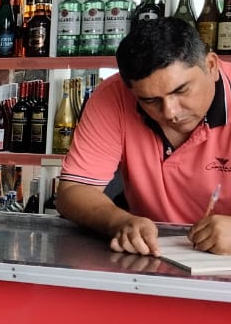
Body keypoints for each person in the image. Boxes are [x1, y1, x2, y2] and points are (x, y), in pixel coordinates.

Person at [58, 17, 231, 255]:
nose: (170, 112)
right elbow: (74, 189)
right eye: (150, 101)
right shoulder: (113, 97)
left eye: (181, 90)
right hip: (149, 254)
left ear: (211, 66)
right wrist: (118, 221)